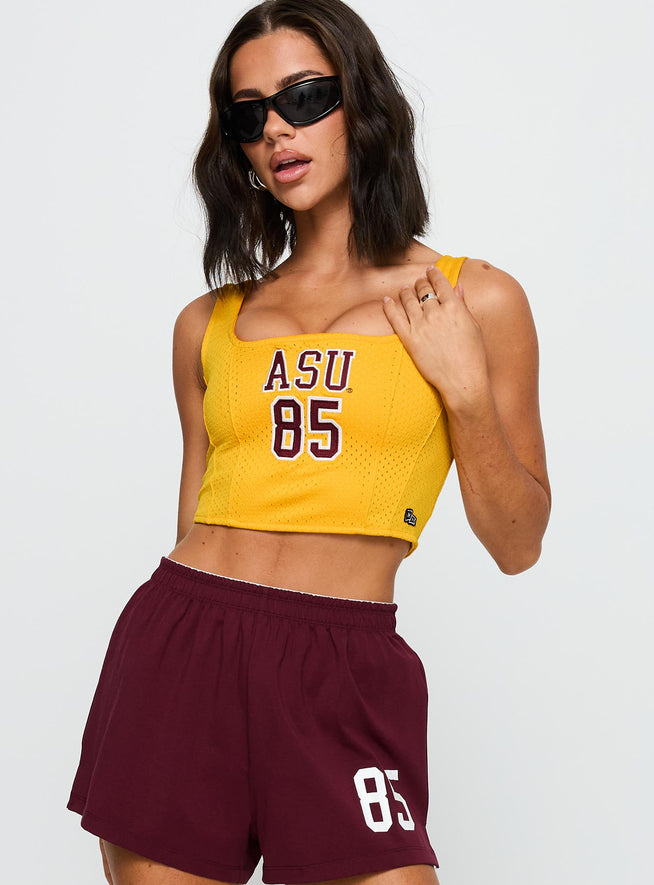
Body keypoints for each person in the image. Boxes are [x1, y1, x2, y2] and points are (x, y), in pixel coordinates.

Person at [67, 1, 551, 883]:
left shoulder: (473, 300)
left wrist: (466, 392)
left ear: (362, 102)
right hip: (184, 647)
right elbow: (192, 520)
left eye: (303, 98)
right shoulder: (207, 323)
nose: (277, 131)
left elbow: (519, 544)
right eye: (249, 114)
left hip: (344, 662)